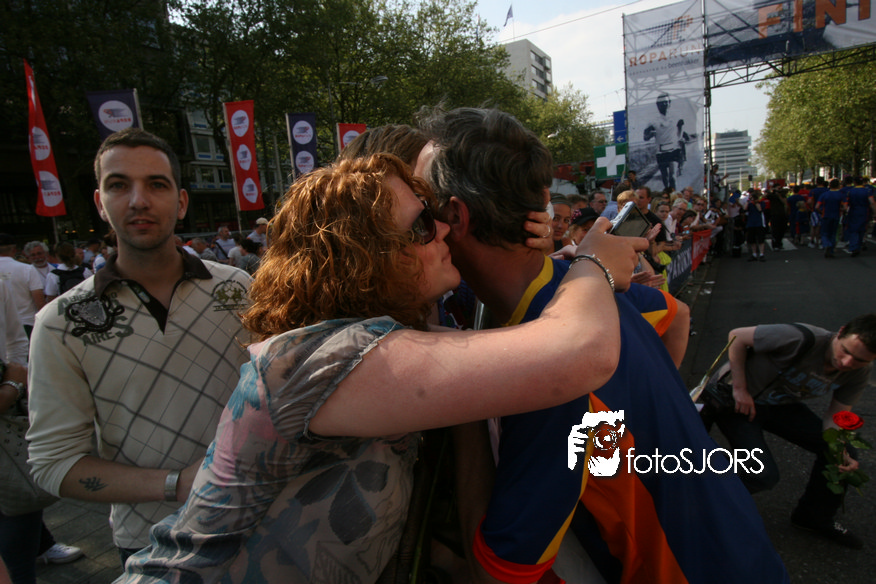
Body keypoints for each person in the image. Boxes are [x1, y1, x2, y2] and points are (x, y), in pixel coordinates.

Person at [118, 153, 642, 583]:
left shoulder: (379, 342)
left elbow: (512, 349)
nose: (444, 228)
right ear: (363, 256)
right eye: (421, 224)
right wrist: (592, 262)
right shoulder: (319, 356)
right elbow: (581, 352)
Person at [416, 107, 788, 584]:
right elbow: (675, 315)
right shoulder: (589, 277)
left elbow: (500, 573)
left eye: (422, 207)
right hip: (743, 550)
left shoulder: (549, 369)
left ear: (454, 216)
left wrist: (464, 399)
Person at [27, 128, 253, 562]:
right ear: (100, 202)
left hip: (257, 519)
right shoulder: (59, 323)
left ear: (181, 202)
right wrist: (177, 484)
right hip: (151, 542)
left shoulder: (239, 288)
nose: (138, 200)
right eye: (119, 185)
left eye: (156, 184)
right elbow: (54, 464)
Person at [701, 315, 876, 548]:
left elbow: (836, 415)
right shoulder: (802, 338)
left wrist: (839, 448)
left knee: (841, 454)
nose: (846, 363)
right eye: (845, 351)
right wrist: (740, 388)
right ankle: (701, 502)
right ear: (841, 332)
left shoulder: (859, 373)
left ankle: (813, 517)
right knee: (762, 474)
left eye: (859, 360)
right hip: (737, 401)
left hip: (779, 404)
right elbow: (737, 335)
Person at [0, 282, 83, 584]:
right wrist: (12, 387)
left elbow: (14, 340)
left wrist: (20, 384)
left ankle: (41, 545)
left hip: (10, 417)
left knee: (21, 492)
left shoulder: (1, 286)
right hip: (7, 396)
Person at [0, 236, 43, 339]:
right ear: (14, 250)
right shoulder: (27, 269)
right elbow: (39, 301)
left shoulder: (28, 269)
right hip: (25, 323)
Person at [643, 94, 687, 191]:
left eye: (666, 102)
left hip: (674, 150)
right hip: (661, 152)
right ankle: (667, 193)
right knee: (665, 177)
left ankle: (673, 195)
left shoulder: (676, 116)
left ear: (669, 103)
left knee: (672, 176)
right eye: (661, 103)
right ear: (657, 105)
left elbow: (681, 126)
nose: (664, 104)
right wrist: (650, 134)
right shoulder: (652, 121)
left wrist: (678, 138)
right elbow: (645, 137)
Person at [816, 179, 846, 258]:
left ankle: (826, 244)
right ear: (838, 186)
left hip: (825, 215)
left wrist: (821, 212)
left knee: (824, 233)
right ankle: (831, 250)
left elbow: (817, 206)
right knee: (833, 234)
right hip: (836, 216)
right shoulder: (841, 195)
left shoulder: (824, 195)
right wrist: (841, 210)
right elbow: (845, 207)